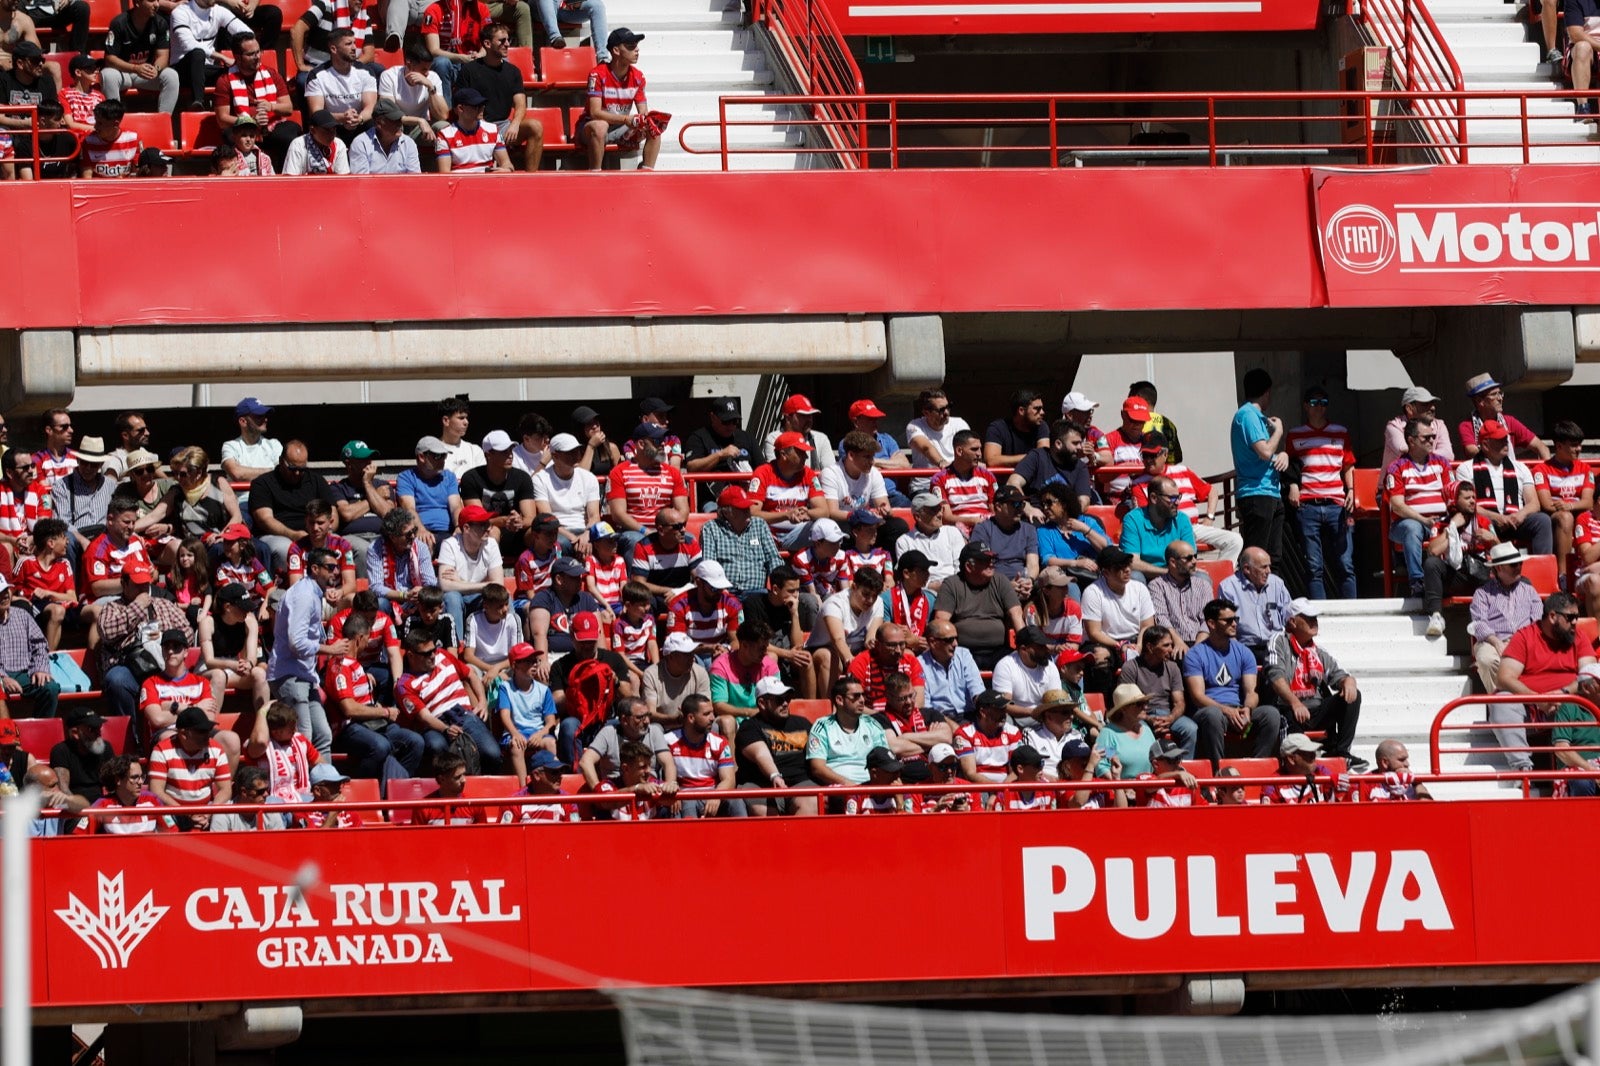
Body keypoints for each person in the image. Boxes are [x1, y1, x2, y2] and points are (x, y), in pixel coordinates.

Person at [1492, 592, 1594, 773]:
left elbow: (1590, 675)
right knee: (1501, 700)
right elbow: (1504, 677)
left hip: (1571, 705)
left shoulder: (1579, 637)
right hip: (1531, 706)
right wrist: (1538, 699)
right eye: (1570, 617)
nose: (1575, 623)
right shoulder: (1525, 636)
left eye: (1577, 617)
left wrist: (1564, 693)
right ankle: (1522, 769)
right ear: (1553, 616)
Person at [1263, 598, 1367, 771]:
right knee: (1288, 715)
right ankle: (1293, 767)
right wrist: (1295, 702)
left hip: (1316, 710)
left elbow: (1339, 674)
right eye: (1308, 617)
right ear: (1292, 622)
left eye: (1315, 617)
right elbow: (1275, 675)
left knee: (1353, 696)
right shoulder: (1278, 641)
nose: (1314, 621)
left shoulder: (1317, 651)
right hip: (1288, 708)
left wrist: (1348, 681)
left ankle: (1341, 753)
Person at [323, 611, 425, 785]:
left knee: (416, 742)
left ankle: (396, 789)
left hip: (372, 724)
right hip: (350, 728)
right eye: (367, 639)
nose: (368, 643)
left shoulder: (356, 665)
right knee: (380, 746)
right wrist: (384, 712)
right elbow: (349, 708)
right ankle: (361, 789)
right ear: (359, 638)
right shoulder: (340, 666)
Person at [1183, 598, 1283, 769]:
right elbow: (1198, 697)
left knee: (1271, 714)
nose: (1234, 624)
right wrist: (1227, 711)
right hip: (1210, 712)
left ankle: (1257, 768)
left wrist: (1247, 709)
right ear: (1211, 623)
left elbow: (1251, 691)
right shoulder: (1195, 654)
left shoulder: (1244, 652)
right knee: (1212, 715)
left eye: (1235, 619)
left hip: (1238, 711)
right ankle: (1218, 772)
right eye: (1228, 620)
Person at [266, 545, 344, 757]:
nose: (336, 572)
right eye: (330, 567)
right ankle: (302, 787)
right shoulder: (304, 596)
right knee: (304, 736)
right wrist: (330, 649)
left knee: (323, 736)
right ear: (315, 569)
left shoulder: (313, 593)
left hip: (304, 676)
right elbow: (297, 643)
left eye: (337, 567)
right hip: (289, 675)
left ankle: (324, 786)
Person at [90, 560, 192, 719]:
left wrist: (163, 641)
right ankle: (131, 736)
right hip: (129, 670)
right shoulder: (112, 608)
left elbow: (187, 633)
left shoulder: (165, 604)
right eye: (137, 585)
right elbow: (107, 632)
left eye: (145, 584)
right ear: (124, 584)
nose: (143, 589)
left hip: (163, 666)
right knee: (116, 679)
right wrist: (137, 607)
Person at [397, 627, 503, 772]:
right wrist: (446, 729)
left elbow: (470, 674)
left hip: (462, 714)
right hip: (435, 724)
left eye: (434, 650)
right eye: (427, 653)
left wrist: (482, 701)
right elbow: (425, 717)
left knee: (492, 754)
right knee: (436, 747)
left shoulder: (443, 655)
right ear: (411, 655)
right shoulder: (404, 684)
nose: (433, 655)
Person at [1286, 386, 1357, 599]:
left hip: (1336, 502)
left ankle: (1352, 611)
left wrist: (1352, 490)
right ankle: (1319, 614)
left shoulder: (1340, 432)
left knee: (1346, 563)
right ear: (1306, 406)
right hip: (1308, 504)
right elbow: (1290, 466)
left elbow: (1348, 465)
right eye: (1315, 403)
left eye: (1323, 403)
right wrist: (1293, 486)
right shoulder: (1295, 434)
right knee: (1313, 565)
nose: (1319, 407)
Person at [1456, 419, 1553, 561]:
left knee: (1542, 520)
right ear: (1485, 445)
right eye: (1499, 439)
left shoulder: (1521, 467)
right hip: (1486, 521)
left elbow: (1534, 503)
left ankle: (1542, 568)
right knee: (1475, 523)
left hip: (1516, 520)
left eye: (1505, 438)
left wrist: (1520, 515)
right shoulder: (1465, 469)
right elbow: (1466, 505)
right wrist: (1498, 518)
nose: (1505, 442)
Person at [212, 32, 299, 170]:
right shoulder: (225, 80)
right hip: (243, 130)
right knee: (231, 136)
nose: (257, 56)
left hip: (270, 127)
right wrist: (250, 121)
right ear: (238, 57)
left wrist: (271, 106)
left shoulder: (271, 74)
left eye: (258, 52)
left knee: (290, 133)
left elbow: (288, 108)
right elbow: (222, 119)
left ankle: (286, 178)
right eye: (251, 54)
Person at [734, 676, 817, 816]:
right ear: (762, 703)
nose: (785, 703)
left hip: (799, 781)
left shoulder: (802, 724)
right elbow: (760, 754)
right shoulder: (749, 727)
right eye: (779, 700)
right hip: (760, 783)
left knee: (812, 803)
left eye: (788, 698)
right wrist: (775, 776)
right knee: (762, 809)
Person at [1230, 367, 1287, 570]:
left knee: (1273, 558)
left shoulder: (1255, 416)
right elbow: (1264, 451)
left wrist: (1283, 455)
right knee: (1257, 558)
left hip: (1270, 491)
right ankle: (1252, 599)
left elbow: (1267, 455)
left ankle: (1272, 598)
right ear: (1267, 392)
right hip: (1256, 493)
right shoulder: (1248, 415)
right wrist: (1279, 431)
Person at [580, 28, 661, 170]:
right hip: (592, 127)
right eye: (631, 47)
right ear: (616, 51)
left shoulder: (638, 76)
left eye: (636, 46)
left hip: (622, 128)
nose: (637, 50)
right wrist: (626, 120)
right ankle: (595, 174)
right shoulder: (597, 74)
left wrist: (644, 120)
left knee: (653, 127)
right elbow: (595, 113)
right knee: (600, 126)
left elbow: (643, 112)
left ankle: (646, 172)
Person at [250, 441, 334, 576]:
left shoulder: (316, 481)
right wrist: (293, 535)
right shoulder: (263, 483)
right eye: (292, 468)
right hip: (277, 535)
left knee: (339, 544)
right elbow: (264, 519)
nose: (297, 473)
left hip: (315, 531)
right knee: (286, 548)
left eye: (302, 469)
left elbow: (332, 512)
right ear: (281, 461)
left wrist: (323, 531)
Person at [139, 626, 229, 750]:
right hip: (166, 732)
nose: (170, 651)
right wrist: (195, 708)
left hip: (198, 731)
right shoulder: (150, 683)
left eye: (176, 647)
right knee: (172, 739)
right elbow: (157, 719)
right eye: (166, 647)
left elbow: (209, 717)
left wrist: (173, 708)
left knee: (230, 740)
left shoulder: (201, 682)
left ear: (186, 652)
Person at [1470, 542, 1543, 694]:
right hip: (1493, 641)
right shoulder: (1482, 593)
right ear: (1499, 568)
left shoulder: (1529, 591)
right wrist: (1496, 642)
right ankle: (1501, 700)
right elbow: (1479, 623)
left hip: (1525, 641)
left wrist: (1522, 642)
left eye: (1519, 563)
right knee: (1486, 660)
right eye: (1513, 564)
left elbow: (1538, 620)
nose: (1519, 567)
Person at [1079, 546, 1155, 692]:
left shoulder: (1139, 588)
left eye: (1127, 564)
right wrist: (1120, 646)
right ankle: (1105, 706)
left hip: (1136, 640)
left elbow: (1147, 625)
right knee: (1100, 657)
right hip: (1106, 641)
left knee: (1161, 647)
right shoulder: (1093, 592)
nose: (1127, 569)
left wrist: (1138, 645)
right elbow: (1094, 632)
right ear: (1106, 572)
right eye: (1120, 567)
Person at [606, 427, 688, 557]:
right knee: (635, 541)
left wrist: (668, 531)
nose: (662, 444)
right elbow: (618, 514)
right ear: (641, 444)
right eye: (657, 440)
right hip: (634, 531)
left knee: (689, 539)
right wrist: (646, 531)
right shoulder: (618, 472)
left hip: (667, 530)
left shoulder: (673, 473)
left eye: (663, 440)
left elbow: (683, 511)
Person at [148, 706, 234, 827]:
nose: (207, 735)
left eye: (208, 730)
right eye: (201, 731)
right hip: (172, 812)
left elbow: (225, 790)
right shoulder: (162, 750)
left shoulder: (216, 749)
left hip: (207, 813)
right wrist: (185, 814)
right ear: (183, 734)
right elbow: (156, 791)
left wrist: (208, 813)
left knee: (224, 817)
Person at [741, 564, 816, 697]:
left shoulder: (795, 604)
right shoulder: (753, 604)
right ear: (775, 589)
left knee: (806, 658)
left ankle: (811, 707)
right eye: (791, 591)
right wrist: (788, 654)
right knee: (771, 657)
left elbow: (797, 646)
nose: (796, 595)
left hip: (787, 652)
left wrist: (794, 614)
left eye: (797, 590)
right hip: (763, 652)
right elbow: (757, 642)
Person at [1118, 624, 1193, 758]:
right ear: (1150, 647)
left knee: (1190, 728)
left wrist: (1170, 718)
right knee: (1142, 729)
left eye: (1171, 645)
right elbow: (1126, 704)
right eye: (1166, 646)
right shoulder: (1131, 667)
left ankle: (1183, 766)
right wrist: (1148, 718)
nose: (1171, 649)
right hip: (1139, 714)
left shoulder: (1172, 667)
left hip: (1167, 714)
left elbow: (1180, 702)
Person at [666, 693, 743, 817]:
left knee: (736, 801)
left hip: (712, 794)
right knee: (687, 804)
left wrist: (716, 795)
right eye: (706, 714)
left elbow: (729, 779)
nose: (713, 718)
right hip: (684, 796)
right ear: (691, 718)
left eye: (712, 713)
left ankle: (744, 836)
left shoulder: (720, 742)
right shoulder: (668, 742)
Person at [1534, 421, 1592, 586]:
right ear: (1558, 446)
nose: (1579, 449)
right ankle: (1564, 576)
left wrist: (1569, 505)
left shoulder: (1586, 469)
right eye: (1573, 445)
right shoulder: (1541, 470)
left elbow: (1588, 502)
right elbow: (1546, 504)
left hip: (1578, 514)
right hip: (1555, 518)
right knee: (1565, 518)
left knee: (1581, 517)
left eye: (1579, 445)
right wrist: (1568, 507)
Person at [747, 431, 826, 551]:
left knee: (825, 527)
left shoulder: (808, 473)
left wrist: (808, 513)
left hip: (798, 534)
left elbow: (824, 511)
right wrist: (786, 515)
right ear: (783, 455)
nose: (806, 456)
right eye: (800, 452)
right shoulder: (763, 473)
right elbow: (753, 513)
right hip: (768, 535)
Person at [698, 486, 782, 598]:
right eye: (742, 508)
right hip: (725, 593)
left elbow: (774, 559)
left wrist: (779, 585)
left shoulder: (759, 525)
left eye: (748, 507)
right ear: (726, 513)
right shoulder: (711, 528)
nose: (748, 511)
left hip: (757, 593)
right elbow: (709, 564)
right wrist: (718, 590)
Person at [459, 430, 536, 548]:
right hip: (487, 530)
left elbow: (530, 518)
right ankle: (490, 565)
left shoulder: (522, 478)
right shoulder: (471, 478)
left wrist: (519, 522)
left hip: (518, 531)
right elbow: (477, 520)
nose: (510, 455)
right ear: (488, 454)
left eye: (511, 450)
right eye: (504, 451)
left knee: (542, 532)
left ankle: (548, 563)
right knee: (493, 531)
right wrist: (504, 521)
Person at [1218, 547, 1291, 665]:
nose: (1269, 571)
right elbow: (1225, 626)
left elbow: (1290, 617)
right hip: (1245, 647)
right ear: (1247, 569)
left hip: (1275, 645)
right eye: (1264, 567)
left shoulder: (1277, 583)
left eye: (1269, 566)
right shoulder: (1228, 587)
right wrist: (1238, 652)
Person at [54, 437, 116, 574]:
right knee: (66, 540)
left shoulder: (110, 485)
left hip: (103, 535)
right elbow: (62, 521)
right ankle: (73, 588)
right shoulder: (62, 485)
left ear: (100, 465)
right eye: (84, 463)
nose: (88, 468)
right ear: (78, 461)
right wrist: (82, 540)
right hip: (76, 534)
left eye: (93, 465)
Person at [709, 616, 778, 739]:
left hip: (761, 720)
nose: (765, 652)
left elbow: (776, 700)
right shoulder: (721, 666)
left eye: (766, 647)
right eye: (761, 648)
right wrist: (748, 712)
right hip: (734, 720)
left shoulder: (769, 665)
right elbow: (719, 706)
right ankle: (730, 759)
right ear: (745, 645)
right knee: (727, 722)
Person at [682, 397, 756, 510]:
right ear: (713, 418)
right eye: (726, 421)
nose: (731, 426)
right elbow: (692, 467)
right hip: (713, 500)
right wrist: (720, 455)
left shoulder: (746, 438)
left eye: (735, 421)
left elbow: (763, 467)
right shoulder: (699, 437)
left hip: (745, 495)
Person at [0, 573, 57, 719]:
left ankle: (41, 730)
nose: (5, 596)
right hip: (1, 676)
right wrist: (3, 678)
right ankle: (6, 737)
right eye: (0, 593)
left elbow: (40, 645)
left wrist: (40, 669)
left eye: (6, 590)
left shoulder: (22, 615)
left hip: (25, 673)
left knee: (49, 688)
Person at [1118, 475, 1195, 583]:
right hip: (1147, 576)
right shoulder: (1133, 520)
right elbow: (1132, 562)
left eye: (1178, 497)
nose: (1177, 502)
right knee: (1134, 577)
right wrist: (1167, 573)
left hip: (1178, 575)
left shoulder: (1182, 520)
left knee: (1202, 578)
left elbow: (1189, 559)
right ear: (1154, 498)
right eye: (1172, 498)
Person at [305, 27, 377, 140]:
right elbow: (316, 113)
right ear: (334, 49)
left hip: (359, 123)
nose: (354, 48)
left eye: (354, 43)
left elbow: (370, 107)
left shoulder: (366, 72)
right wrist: (342, 118)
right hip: (332, 126)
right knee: (320, 125)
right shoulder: (317, 76)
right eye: (348, 44)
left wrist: (359, 119)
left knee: (374, 124)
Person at [1459, 373, 1550, 462]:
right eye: (1494, 394)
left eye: (1500, 393)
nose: (1500, 398)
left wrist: (1548, 472)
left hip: (1510, 474)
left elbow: (1541, 447)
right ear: (1480, 401)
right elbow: (1471, 451)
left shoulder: (1510, 421)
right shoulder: (1467, 426)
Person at [1008, 419, 1094, 513]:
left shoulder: (1080, 467)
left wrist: (1062, 515)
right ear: (1058, 444)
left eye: (1080, 443)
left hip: (1067, 518)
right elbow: (1012, 483)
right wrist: (1026, 507)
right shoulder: (1037, 457)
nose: (1080, 447)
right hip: (1036, 516)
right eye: (1075, 443)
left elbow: (1084, 502)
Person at [75, 755, 176, 834]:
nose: (140, 782)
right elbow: (78, 837)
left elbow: (173, 833)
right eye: (134, 777)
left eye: (142, 777)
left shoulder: (153, 801)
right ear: (118, 780)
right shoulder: (102, 805)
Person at [419, 0, 492, 105]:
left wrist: (480, 55)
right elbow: (433, 50)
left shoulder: (481, 8)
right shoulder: (434, 10)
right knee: (441, 63)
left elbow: (488, 42)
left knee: (496, 59)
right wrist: (461, 58)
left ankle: (487, 113)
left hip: (473, 61)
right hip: (450, 64)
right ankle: (445, 113)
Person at [397, 436, 462, 551]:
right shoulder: (406, 478)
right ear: (421, 457)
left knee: (469, 540)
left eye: (444, 456)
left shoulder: (449, 477)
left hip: (448, 531)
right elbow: (409, 509)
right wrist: (420, 529)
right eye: (437, 456)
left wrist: (459, 527)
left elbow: (456, 506)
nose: (443, 460)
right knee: (425, 544)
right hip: (421, 530)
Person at [1147, 542, 1211, 655]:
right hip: (1173, 642)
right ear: (1173, 562)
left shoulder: (1203, 585)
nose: (1194, 561)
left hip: (1202, 640)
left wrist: (1198, 646)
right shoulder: (1157, 585)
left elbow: (1209, 618)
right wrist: (1178, 641)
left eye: (1195, 556)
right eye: (1189, 558)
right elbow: (1161, 618)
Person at [904, 389, 971, 495]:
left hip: (958, 482)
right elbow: (926, 448)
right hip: (926, 487)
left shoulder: (959, 424)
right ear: (926, 413)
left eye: (948, 407)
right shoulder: (914, 426)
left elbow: (969, 449)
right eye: (941, 410)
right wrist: (942, 463)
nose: (947, 412)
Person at [845, 623, 925, 712]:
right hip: (871, 719)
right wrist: (884, 719)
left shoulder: (911, 662)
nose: (898, 650)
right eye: (892, 645)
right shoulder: (861, 662)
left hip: (905, 717)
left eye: (902, 644)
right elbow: (852, 704)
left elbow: (919, 702)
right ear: (877, 645)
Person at [894, 492, 965, 589]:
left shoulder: (952, 532)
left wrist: (953, 586)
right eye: (933, 511)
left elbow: (961, 566)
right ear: (918, 517)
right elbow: (909, 577)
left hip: (955, 588)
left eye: (940, 509)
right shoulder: (904, 542)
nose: (940, 514)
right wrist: (931, 587)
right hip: (924, 592)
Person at [1092, 683, 1157, 786]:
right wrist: (1122, 788)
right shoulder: (1110, 733)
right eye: (1139, 704)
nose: (1145, 707)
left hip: (1149, 790)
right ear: (1124, 709)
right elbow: (1103, 766)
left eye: (1146, 702)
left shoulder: (1146, 729)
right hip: (1123, 795)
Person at [930, 430, 996, 532]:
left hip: (987, 529)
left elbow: (996, 510)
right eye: (974, 449)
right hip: (957, 532)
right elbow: (945, 518)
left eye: (980, 449)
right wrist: (973, 521)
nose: (979, 454)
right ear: (959, 451)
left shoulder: (988, 475)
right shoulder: (939, 479)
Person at [917, 617, 983, 719]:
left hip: (969, 715)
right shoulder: (920, 664)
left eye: (956, 638)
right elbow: (926, 708)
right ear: (933, 642)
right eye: (949, 640)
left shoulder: (963, 655)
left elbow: (977, 691)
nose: (955, 644)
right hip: (940, 720)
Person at [954, 689, 1022, 786]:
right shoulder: (964, 734)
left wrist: (1002, 792)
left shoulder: (1013, 732)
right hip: (979, 788)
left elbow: (1015, 771)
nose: (1004, 713)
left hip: (1006, 786)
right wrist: (998, 790)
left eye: (1004, 708)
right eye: (999, 709)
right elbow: (970, 773)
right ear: (983, 712)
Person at [640, 631, 710, 725]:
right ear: (671, 656)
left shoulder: (700, 672)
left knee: (713, 726)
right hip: (663, 727)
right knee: (655, 728)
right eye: (686, 654)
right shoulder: (651, 674)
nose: (692, 658)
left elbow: (706, 708)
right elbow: (650, 713)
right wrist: (676, 720)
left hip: (692, 725)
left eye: (692, 653)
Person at [1381, 385, 1454, 473]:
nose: (1432, 408)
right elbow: (1406, 452)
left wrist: (1421, 453)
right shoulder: (1394, 427)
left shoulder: (1439, 425)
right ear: (1409, 409)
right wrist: (1434, 455)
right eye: (1425, 404)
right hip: (1397, 483)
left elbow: (1448, 454)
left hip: (1430, 483)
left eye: (1432, 403)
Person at [48, 709, 110, 805]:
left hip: (101, 806)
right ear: (75, 733)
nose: (99, 733)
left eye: (99, 727)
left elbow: (114, 783)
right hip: (73, 809)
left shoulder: (105, 747)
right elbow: (63, 791)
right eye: (92, 729)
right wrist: (84, 811)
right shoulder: (61, 751)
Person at [762, 394, 836, 469]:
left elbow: (831, 471)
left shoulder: (821, 438)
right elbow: (777, 472)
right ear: (788, 418)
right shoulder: (774, 439)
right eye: (803, 415)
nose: (809, 420)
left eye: (810, 415)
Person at [413, 750, 487, 825]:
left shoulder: (475, 804)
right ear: (442, 779)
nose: (464, 780)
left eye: (464, 774)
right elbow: (415, 836)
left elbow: (483, 834)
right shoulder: (423, 808)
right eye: (457, 777)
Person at [983, 389, 1050, 469]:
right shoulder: (997, 428)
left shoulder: (1041, 426)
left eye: (1042, 408)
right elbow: (991, 461)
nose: (1042, 412)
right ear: (1021, 411)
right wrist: (1031, 457)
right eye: (1037, 409)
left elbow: (1043, 457)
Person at [350, 96, 421, 171]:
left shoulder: (408, 143)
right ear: (379, 123)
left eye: (400, 119)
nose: (400, 124)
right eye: (394, 120)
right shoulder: (361, 144)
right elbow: (361, 181)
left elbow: (414, 179)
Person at [80, 101, 143, 179]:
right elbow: (87, 178)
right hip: (98, 189)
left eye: (100, 123)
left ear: (116, 124)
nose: (95, 127)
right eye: (96, 121)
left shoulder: (133, 139)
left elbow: (137, 175)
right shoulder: (88, 141)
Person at [1367, 738, 1433, 801]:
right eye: (1402, 760)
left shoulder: (1412, 782)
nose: (1407, 764)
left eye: (1406, 759)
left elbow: (1431, 809)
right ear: (1385, 763)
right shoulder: (1365, 783)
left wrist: (1417, 783)